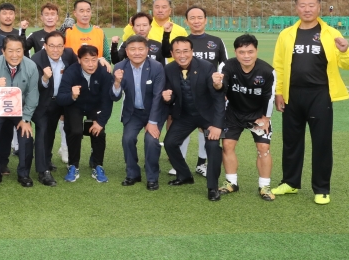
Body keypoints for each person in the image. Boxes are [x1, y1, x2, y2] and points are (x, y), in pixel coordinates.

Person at [272, 0, 349, 205]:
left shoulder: (331, 33)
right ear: (296, 8)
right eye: (302, 5)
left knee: (321, 142)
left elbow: (348, 65)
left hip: (320, 94)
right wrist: (278, 92)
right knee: (291, 141)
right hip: (292, 95)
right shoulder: (286, 34)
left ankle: (321, 188)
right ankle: (290, 182)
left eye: (311, 5)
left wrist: (345, 51)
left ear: (319, 7)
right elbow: (279, 66)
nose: (307, 9)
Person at [157, 36, 225, 202]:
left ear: (192, 51)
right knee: (170, 143)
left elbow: (218, 98)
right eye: (178, 52)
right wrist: (167, 97)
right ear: (172, 53)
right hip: (185, 115)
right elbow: (171, 95)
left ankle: (212, 187)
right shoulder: (169, 69)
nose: (182, 55)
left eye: (186, 51)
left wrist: (217, 125)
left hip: (208, 117)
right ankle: (184, 175)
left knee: (213, 146)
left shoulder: (206, 67)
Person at [216, 34, 276, 201]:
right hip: (233, 113)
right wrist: (218, 85)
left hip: (257, 115)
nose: (246, 56)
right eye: (241, 52)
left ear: (256, 51)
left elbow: (269, 97)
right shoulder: (227, 66)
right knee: (227, 145)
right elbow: (220, 90)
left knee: (263, 148)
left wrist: (266, 118)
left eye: (250, 51)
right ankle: (231, 182)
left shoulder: (267, 71)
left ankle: (264, 186)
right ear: (235, 52)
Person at [172, 6, 229, 180]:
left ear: (205, 20)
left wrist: (223, 87)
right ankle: (180, 163)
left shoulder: (216, 41)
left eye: (199, 17)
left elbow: (225, 66)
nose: (196, 21)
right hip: (186, 94)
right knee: (184, 126)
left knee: (205, 128)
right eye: (192, 18)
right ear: (186, 21)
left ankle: (201, 163)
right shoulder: (182, 42)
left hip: (209, 94)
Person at [0, 34, 40, 187]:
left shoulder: (31, 66)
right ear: (3, 51)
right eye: (10, 51)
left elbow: (32, 94)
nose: (14, 55)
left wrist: (26, 119)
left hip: (19, 108)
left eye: (18, 50)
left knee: (26, 135)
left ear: (23, 51)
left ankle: (24, 174)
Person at [111, 35, 166, 190]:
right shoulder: (120, 67)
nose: (137, 53)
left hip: (154, 112)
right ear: (127, 52)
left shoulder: (156, 67)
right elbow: (115, 97)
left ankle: (152, 177)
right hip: (133, 112)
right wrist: (117, 82)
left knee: (151, 141)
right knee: (127, 139)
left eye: (141, 49)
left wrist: (152, 122)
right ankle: (133, 173)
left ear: (147, 50)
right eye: (132, 49)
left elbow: (158, 96)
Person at [56, 45, 114, 184]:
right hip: (75, 105)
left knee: (98, 132)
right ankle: (73, 165)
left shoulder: (104, 73)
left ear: (98, 59)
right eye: (86, 60)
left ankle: (97, 165)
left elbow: (107, 101)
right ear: (79, 60)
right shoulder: (71, 72)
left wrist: (100, 122)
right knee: (75, 131)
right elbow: (60, 98)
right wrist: (72, 96)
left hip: (95, 106)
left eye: (93, 60)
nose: (90, 64)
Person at [30, 31, 77, 186]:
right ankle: (42, 171)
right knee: (43, 132)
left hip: (62, 101)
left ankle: (47, 160)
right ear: (45, 46)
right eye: (51, 46)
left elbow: (81, 65)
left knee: (51, 132)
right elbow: (33, 86)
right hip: (42, 102)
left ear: (64, 47)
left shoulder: (69, 55)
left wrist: (102, 60)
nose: (55, 50)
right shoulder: (36, 59)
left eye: (59, 46)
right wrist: (44, 78)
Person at [122, 0, 187, 44]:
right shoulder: (142, 27)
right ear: (152, 9)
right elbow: (126, 41)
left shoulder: (180, 31)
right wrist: (130, 25)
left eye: (164, 7)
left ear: (170, 10)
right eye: (157, 7)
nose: (160, 10)